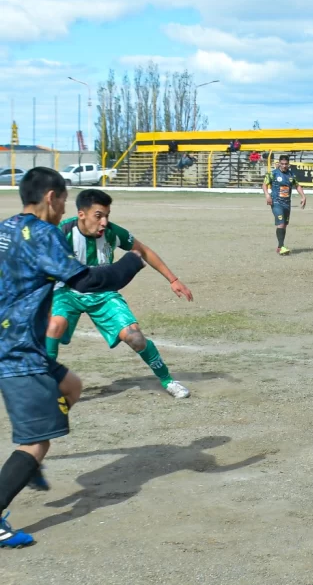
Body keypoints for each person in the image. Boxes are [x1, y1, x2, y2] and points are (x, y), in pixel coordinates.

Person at [0, 167, 145, 548]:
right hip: (18, 351)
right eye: (63, 199)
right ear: (51, 197)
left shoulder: (7, 228)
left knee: (72, 386)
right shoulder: (46, 234)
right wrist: (132, 261)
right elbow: (89, 282)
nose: (64, 206)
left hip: (15, 340)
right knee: (37, 442)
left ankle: (28, 464)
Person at [45, 189, 194, 399]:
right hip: (68, 291)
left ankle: (167, 380)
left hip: (103, 294)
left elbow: (144, 251)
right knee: (53, 326)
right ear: (82, 214)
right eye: (99, 216)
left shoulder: (113, 232)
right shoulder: (63, 232)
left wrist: (173, 279)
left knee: (135, 338)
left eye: (107, 215)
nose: (104, 222)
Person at [262, 154, 306, 255]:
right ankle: (282, 247)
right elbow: (264, 184)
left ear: (288, 164)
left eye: (286, 164)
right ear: (279, 164)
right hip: (276, 202)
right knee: (281, 223)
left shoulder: (291, 175)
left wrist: (303, 196)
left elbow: (297, 186)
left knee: (284, 225)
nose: (284, 166)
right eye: (282, 164)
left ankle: (279, 246)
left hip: (287, 203)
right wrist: (267, 195)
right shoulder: (273, 174)